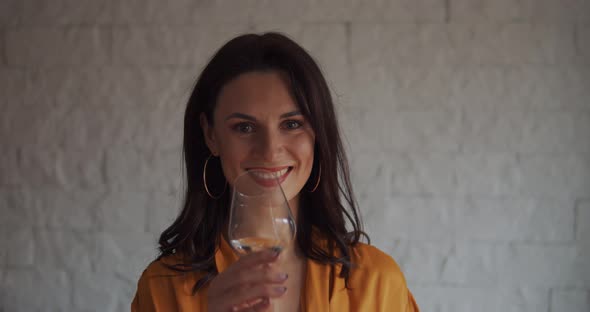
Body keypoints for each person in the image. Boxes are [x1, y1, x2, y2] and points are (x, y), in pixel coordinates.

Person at [131, 32, 419, 312]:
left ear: (317, 134)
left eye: (292, 124)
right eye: (244, 127)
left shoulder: (377, 281)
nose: (269, 150)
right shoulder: (161, 287)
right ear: (210, 135)